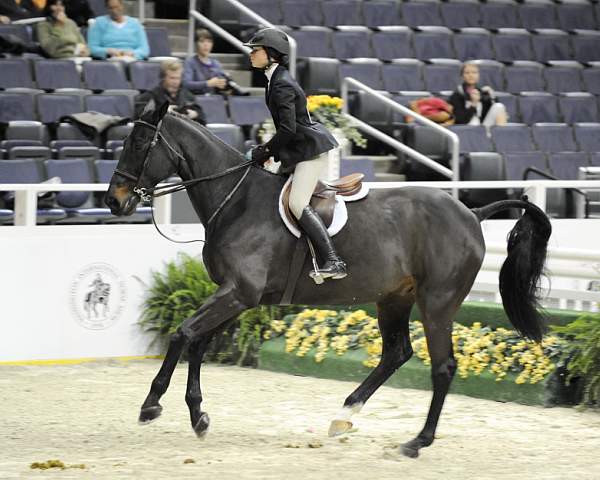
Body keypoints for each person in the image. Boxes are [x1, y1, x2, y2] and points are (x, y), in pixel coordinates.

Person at [244, 27, 346, 281]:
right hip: (296, 151)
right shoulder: (274, 80)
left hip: (308, 152)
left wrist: (266, 150)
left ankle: (333, 261)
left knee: (296, 203)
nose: (251, 54)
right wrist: (269, 152)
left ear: (271, 54)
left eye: (255, 50)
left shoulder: (281, 85)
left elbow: (288, 129)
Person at [134, 60, 206, 125]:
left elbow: (201, 115)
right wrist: (161, 112)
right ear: (163, 78)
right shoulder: (150, 95)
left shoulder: (187, 95)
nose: (175, 82)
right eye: (172, 78)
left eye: (178, 78)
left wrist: (195, 114)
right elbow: (139, 115)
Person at [448, 63, 507, 127]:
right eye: (467, 73)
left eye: (474, 72)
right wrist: (474, 104)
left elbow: (492, 113)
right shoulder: (457, 95)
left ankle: (501, 135)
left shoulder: (482, 92)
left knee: (499, 106)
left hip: (484, 127)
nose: (471, 75)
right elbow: (460, 120)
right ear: (462, 76)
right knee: (474, 120)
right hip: (465, 128)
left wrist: (492, 96)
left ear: (478, 75)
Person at [183, 28, 231, 95]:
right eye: (202, 41)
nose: (206, 45)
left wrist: (225, 84)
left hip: (213, 100)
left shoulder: (216, 64)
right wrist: (207, 83)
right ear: (196, 44)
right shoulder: (190, 62)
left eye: (209, 41)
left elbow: (221, 84)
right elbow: (186, 84)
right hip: (195, 100)